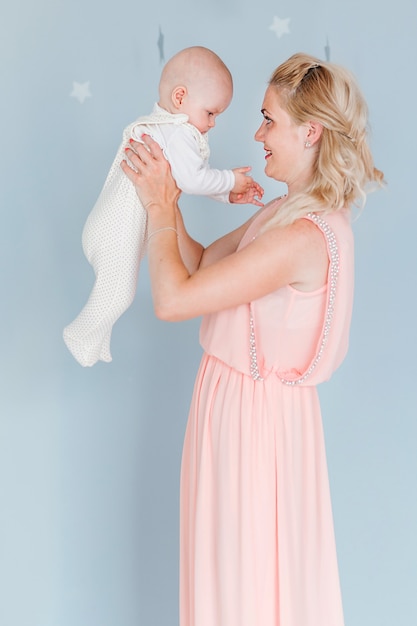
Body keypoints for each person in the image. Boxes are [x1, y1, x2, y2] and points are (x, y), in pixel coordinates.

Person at [121, 52, 384, 626]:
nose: (257, 133)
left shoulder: (303, 237)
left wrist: (161, 205)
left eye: (269, 119)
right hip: (231, 409)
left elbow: (173, 300)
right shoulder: (286, 214)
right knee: (232, 578)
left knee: (244, 584)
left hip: (252, 422)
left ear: (310, 130)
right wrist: (160, 197)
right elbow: (194, 265)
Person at [63, 46, 263, 367]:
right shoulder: (177, 132)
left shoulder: (163, 127)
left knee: (117, 290)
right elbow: (194, 179)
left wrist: (226, 194)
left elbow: (185, 179)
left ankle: (98, 335)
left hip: (107, 226)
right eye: (211, 113)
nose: (212, 124)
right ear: (181, 98)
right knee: (119, 292)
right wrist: (228, 181)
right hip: (113, 231)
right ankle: (81, 333)